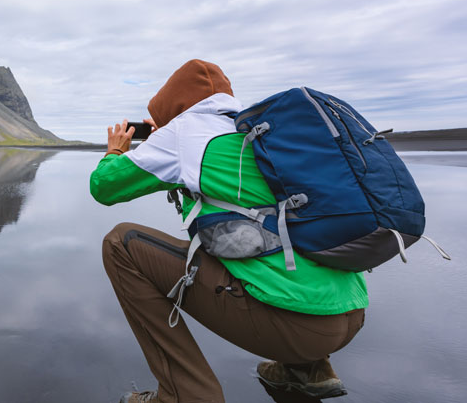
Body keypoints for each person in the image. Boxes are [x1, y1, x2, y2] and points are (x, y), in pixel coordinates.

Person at [90, 60, 367, 403]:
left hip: (293, 326)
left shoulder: (182, 134)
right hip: (351, 314)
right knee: (275, 233)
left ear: (172, 109)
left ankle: (184, 395)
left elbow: (104, 187)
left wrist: (116, 150)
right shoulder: (257, 132)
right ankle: (308, 370)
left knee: (121, 243)